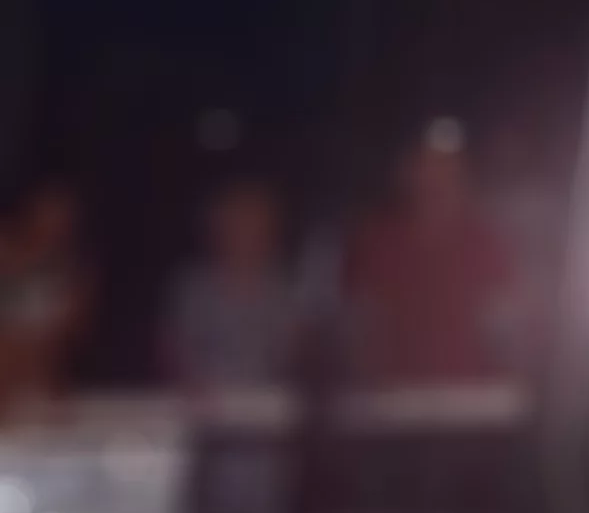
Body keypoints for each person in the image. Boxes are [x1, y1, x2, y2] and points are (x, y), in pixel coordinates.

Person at [341, 120, 526, 386]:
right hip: (390, 404)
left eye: (448, 168)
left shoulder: (488, 245)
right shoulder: (375, 242)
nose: (436, 179)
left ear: (465, 176)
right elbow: (360, 328)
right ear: (406, 172)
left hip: (469, 403)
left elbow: (506, 336)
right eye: (426, 166)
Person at [161, 177, 309, 394]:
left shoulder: (287, 289)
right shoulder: (191, 287)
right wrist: (187, 384)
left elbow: (298, 356)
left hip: (266, 407)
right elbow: (169, 350)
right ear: (215, 228)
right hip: (204, 406)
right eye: (236, 221)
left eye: (256, 222)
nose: (246, 232)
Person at [0, 177, 94, 411]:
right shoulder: (6, 251)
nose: (58, 221)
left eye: (66, 215)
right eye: (50, 211)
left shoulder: (75, 271)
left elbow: (71, 332)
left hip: (44, 380)